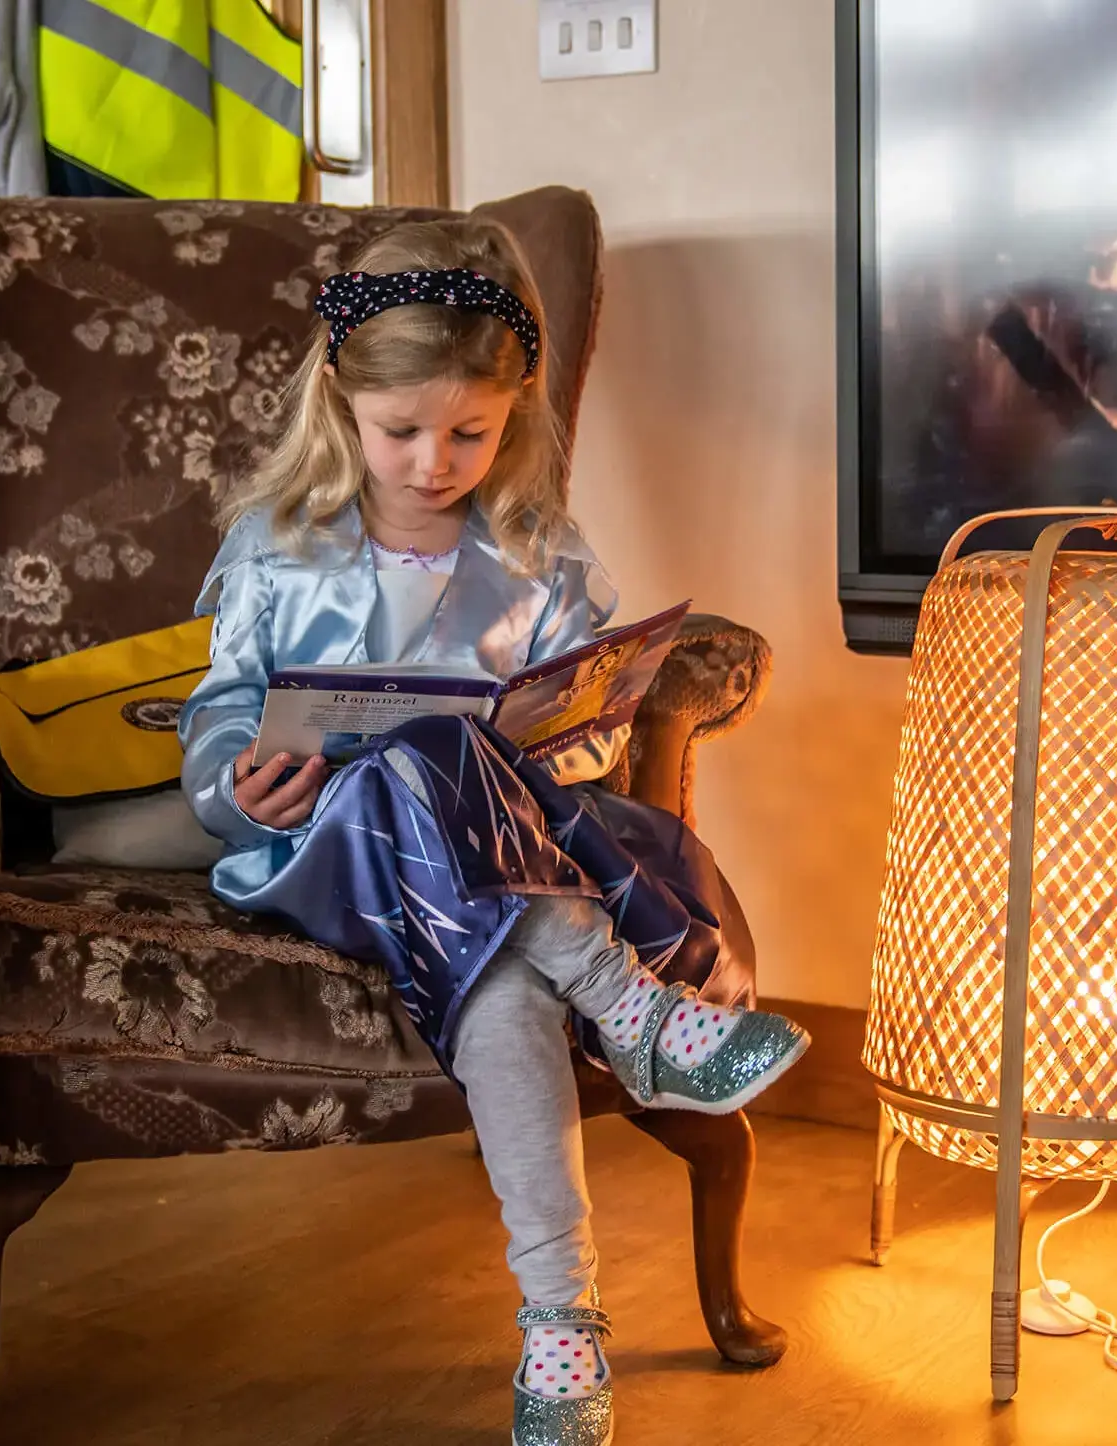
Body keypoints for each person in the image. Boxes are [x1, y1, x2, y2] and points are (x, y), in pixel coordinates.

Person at [179, 217, 809, 1446]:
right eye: (401, 432)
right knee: (416, 760)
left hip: (497, 881)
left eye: (470, 432)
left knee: (505, 997)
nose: (433, 462)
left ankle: (563, 1329)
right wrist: (230, 783)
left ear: (514, 414)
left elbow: (583, 736)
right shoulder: (278, 550)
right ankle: (631, 1006)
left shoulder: (539, 557)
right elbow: (219, 712)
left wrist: (537, 744)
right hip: (332, 856)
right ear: (340, 407)